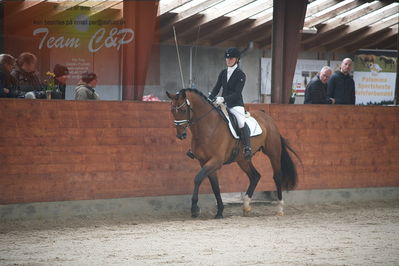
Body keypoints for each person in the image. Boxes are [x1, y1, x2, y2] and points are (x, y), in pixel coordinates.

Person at [208, 47, 251, 160]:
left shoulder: (241, 75)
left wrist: (223, 99)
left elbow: (237, 93)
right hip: (222, 103)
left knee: (241, 122)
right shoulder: (223, 73)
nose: (228, 60)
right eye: (226, 58)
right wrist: (210, 98)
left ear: (236, 59)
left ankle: (247, 147)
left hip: (235, 104)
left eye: (230, 58)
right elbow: (216, 88)